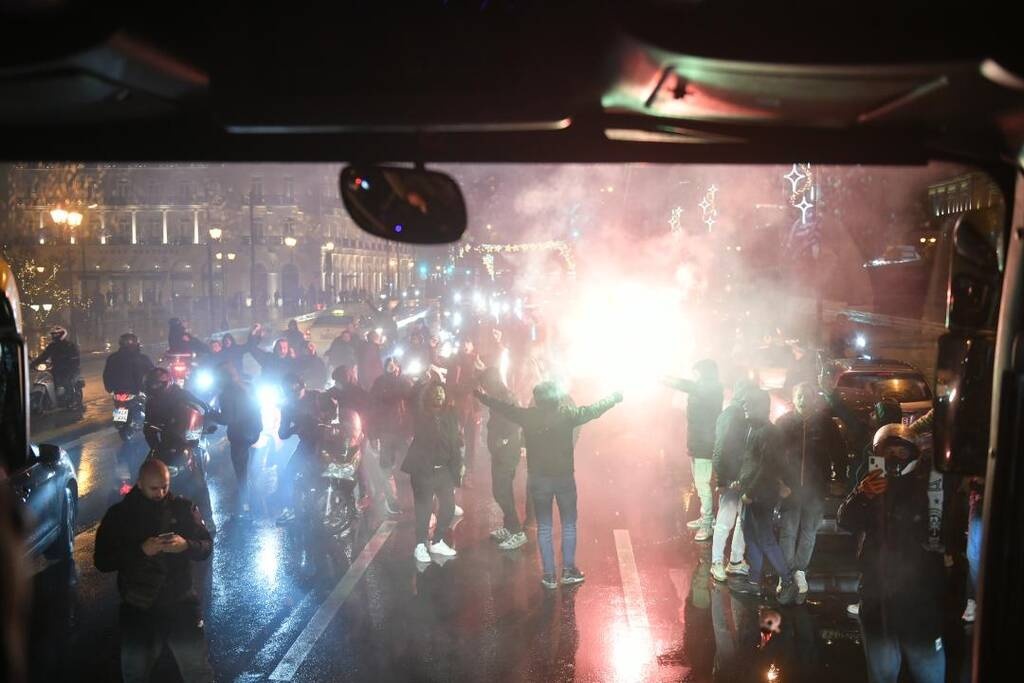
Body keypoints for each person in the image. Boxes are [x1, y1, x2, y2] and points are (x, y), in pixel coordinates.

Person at [475, 381, 622, 589]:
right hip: (564, 479)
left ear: (538, 399)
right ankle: (569, 570)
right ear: (556, 398)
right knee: (569, 525)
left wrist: (482, 397)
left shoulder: (529, 416)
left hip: (539, 480)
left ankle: (549, 576)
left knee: (544, 526)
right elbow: (594, 410)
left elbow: (504, 408)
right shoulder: (568, 414)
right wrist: (613, 398)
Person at [838, 424, 946, 683]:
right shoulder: (871, 481)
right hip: (877, 595)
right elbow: (845, 521)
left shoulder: (931, 480)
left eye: (901, 451)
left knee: (929, 672)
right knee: (882, 674)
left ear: (914, 454)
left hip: (920, 598)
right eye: (889, 451)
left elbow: (941, 529)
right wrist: (862, 494)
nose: (895, 457)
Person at [93, 459, 214, 683]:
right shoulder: (120, 516)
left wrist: (186, 544)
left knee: (197, 671)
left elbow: (206, 545)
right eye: (154, 488)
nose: (160, 493)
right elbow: (102, 560)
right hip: (139, 608)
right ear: (139, 484)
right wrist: (141, 551)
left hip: (181, 603)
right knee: (135, 673)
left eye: (165, 487)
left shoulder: (183, 508)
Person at [729, 388, 799, 605]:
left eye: (749, 404)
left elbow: (768, 466)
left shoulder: (768, 431)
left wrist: (750, 491)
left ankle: (788, 581)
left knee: (766, 539)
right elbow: (753, 462)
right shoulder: (756, 428)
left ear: (761, 406)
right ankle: (753, 582)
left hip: (761, 495)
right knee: (751, 536)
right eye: (745, 404)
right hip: (753, 492)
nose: (745, 408)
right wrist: (742, 482)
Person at [775, 382, 844, 595]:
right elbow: (771, 456)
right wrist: (779, 483)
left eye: (809, 395)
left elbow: (839, 452)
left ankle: (800, 570)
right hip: (790, 488)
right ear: (794, 398)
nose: (804, 399)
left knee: (809, 530)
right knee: (788, 530)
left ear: (815, 399)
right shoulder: (783, 423)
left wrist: (839, 478)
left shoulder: (826, 424)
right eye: (800, 395)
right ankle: (785, 573)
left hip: (816, 488)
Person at [402, 380, 463, 563]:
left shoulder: (451, 414)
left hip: (443, 470)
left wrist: (459, 465)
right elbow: (412, 398)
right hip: (423, 470)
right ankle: (420, 545)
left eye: (442, 392)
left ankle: (437, 541)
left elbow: (455, 442)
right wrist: (422, 381)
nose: (439, 395)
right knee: (424, 509)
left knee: (449, 507)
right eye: (435, 392)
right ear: (428, 395)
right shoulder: (421, 413)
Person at [663, 359, 725, 541]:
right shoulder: (703, 388)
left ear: (705, 373)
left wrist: (662, 378)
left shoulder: (711, 388)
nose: (694, 377)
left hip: (705, 446)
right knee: (699, 484)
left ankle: (707, 523)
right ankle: (704, 517)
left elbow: (686, 385)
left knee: (703, 485)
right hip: (697, 443)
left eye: (696, 373)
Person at [479, 367, 527, 551]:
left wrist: (503, 441)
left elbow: (514, 422)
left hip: (506, 452)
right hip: (500, 451)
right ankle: (509, 527)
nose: (483, 389)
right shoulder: (499, 396)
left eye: (484, 384)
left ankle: (516, 531)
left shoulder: (506, 397)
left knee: (501, 491)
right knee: (502, 489)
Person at [709, 378, 753, 583]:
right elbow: (720, 448)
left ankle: (734, 561)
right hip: (734, 477)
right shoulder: (732, 415)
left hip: (741, 477)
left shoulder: (739, 415)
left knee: (740, 521)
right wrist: (722, 479)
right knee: (727, 520)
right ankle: (718, 562)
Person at [207, 363, 263, 517]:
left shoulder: (226, 394)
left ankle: (245, 503)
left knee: (241, 470)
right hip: (255, 430)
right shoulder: (248, 385)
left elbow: (227, 418)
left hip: (240, 435)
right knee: (249, 465)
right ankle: (251, 497)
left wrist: (210, 413)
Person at [276, 373, 323, 524]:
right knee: (287, 474)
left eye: (297, 391)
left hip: (326, 441)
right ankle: (289, 509)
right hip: (307, 444)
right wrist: (296, 427)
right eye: (290, 392)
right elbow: (282, 433)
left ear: (303, 387)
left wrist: (321, 420)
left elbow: (336, 411)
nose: (294, 395)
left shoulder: (317, 397)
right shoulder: (288, 407)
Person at [370, 357, 415, 515]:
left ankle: (422, 497)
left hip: (404, 431)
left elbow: (414, 402)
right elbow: (373, 409)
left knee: (414, 465)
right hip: (386, 432)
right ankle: (392, 500)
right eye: (389, 365)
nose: (392, 367)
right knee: (386, 467)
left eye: (395, 364)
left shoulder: (405, 381)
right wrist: (373, 434)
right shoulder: (379, 383)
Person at [448, 339, 483, 472]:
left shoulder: (478, 361)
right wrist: (432, 348)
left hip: (474, 406)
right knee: (457, 438)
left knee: (472, 442)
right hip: (459, 406)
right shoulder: (455, 360)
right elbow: (452, 383)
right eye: (464, 342)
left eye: (468, 342)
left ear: (472, 345)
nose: (465, 345)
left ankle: (469, 472)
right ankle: (456, 468)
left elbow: (485, 379)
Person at [30, 325, 82, 406]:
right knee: (47, 378)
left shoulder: (69, 345)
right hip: (56, 368)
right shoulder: (52, 346)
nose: (54, 336)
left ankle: (72, 400)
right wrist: (33, 364)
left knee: (66, 381)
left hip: (68, 369)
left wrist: (71, 365)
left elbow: (75, 358)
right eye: (53, 334)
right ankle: (52, 398)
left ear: (62, 334)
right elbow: (43, 356)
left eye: (56, 334)